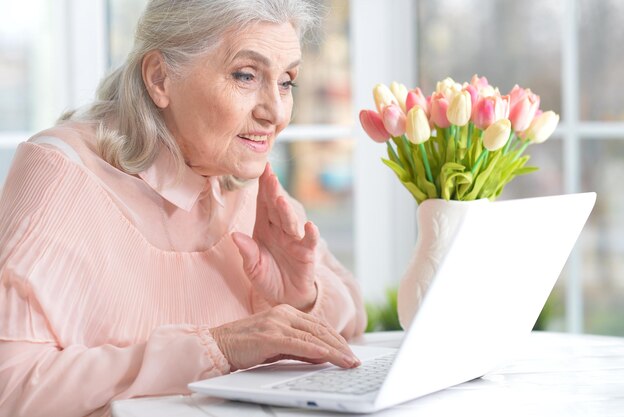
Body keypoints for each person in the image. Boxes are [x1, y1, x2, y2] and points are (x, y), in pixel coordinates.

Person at [0, 1, 367, 416]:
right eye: (246, 76)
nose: (276, 114)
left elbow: (355, 313)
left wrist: (301, 298)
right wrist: (217, 347)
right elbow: (11, 387)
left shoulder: (244, 177)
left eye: (286, 82)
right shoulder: (60, 173)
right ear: (160, 78)